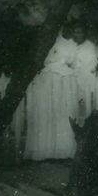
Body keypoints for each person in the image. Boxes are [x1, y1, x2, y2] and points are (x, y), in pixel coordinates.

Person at [24, 26, 80, 160]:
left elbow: (73, 63)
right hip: (47, 80)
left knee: (63, 112)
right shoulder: (44, 42)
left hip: (63, 80)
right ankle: (46, 149)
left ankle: (63, 148)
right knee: (47, 111)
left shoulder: (70, 44)